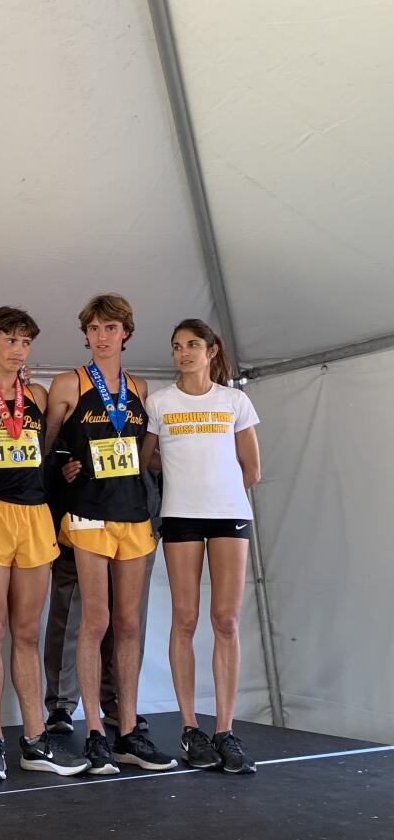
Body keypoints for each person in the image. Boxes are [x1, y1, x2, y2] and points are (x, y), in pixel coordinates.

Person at [0, 308, 90, 780]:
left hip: (34, 518)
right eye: (9, 339)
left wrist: (68, 472)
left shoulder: (39, 395)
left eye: (25, 341)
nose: (17, 348)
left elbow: (50, 450)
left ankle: (33, 740)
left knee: (27, 633)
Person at [44, 293, 176, 774]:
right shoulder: (67, 383)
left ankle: (128, 729)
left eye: (111, 328)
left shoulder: (140, 389)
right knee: (94, 622)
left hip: (134, 516)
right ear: (86, 335)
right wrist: (65, 467)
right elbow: (44, 448)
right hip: (88, 516)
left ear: (125, 333)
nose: (103, 337)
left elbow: (146, 457)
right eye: (95, 329)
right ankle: (95, 731)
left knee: (129, 625)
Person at [142, 319, 261, 774]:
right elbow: (148, 457)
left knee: (226, 620)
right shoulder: (160, 402)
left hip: (229, 516)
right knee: (185, 618)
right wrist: (184, 481)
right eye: (177, 347)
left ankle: (225, 730)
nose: (184, 353)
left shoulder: (235, 401)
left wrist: (221, 492)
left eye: (193, 345)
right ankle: (191, 728)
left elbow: (251, 466)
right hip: (180, 518)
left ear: (212, 350)